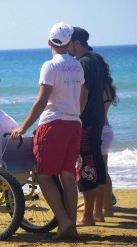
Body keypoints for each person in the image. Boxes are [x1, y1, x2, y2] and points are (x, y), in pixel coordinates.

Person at [11, 22, 84, 239]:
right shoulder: (78, 66)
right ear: (70, 43)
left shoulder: (50, 66)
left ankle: (63, 221)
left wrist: (23, 126)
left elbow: (42, 101)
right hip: (74, 124)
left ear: (49, 42)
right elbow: (82, 96)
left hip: (53, 125)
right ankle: (71, 225)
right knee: (67, 176)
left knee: (43, 176)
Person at [67, 27, 106, 226]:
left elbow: (83, 94)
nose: (68, 47)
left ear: (77, 42)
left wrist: (75, 116)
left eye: (70, 43)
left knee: (86, 167)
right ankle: (98, 213)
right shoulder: (95, 60)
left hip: (87, 122)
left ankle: (88, 216)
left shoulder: (82, 63)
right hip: (97, 119)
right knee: (96, 164)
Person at [94, 53, 119, 217]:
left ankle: (99, 209)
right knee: (104, 171)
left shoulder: (97, 87)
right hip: (107, 129)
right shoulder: (108, 86)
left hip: (99, 130)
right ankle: (107, 208)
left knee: (97, 172)